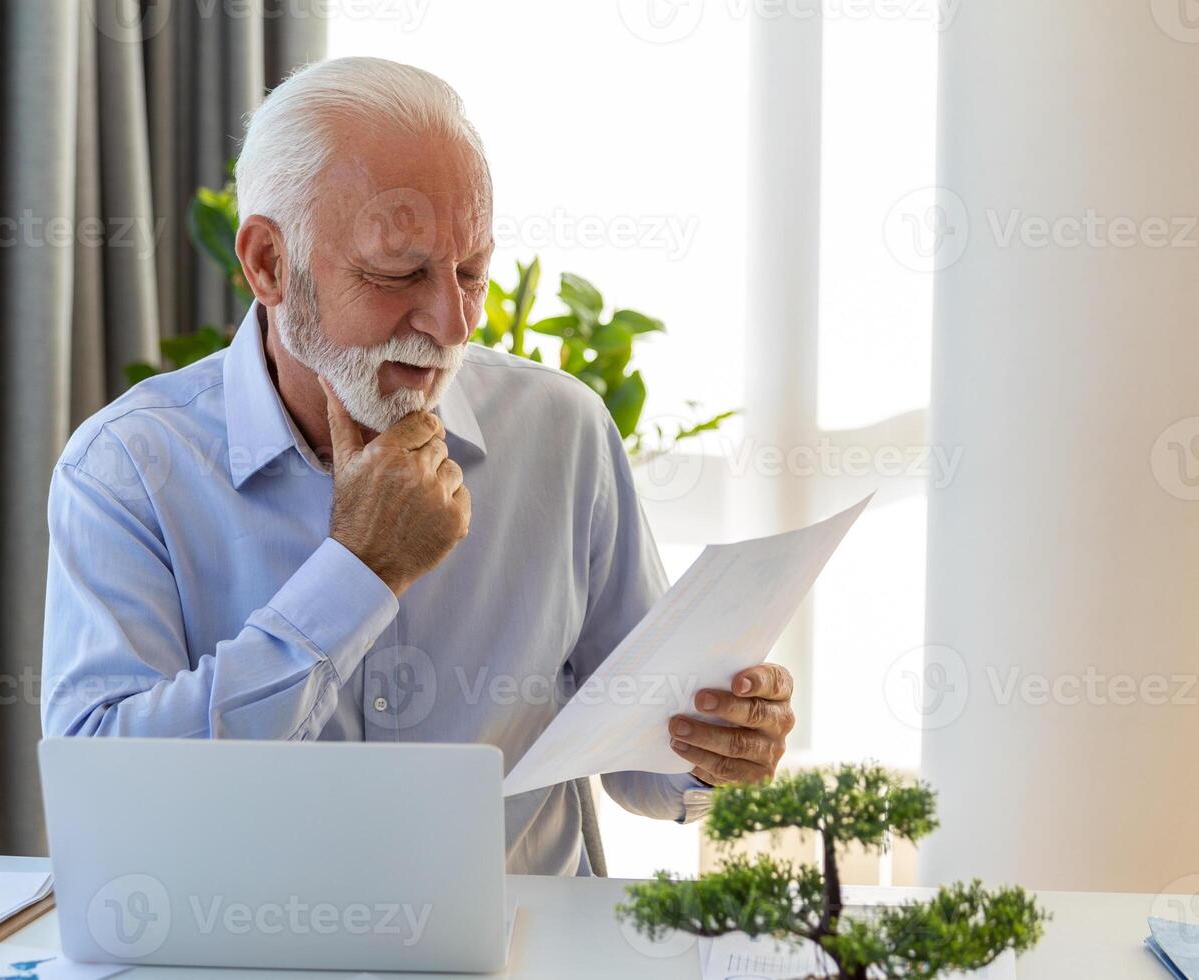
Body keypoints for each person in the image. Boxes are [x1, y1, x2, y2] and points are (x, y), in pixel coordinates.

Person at [40, 56, 795, 876]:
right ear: (266, 263)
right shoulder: (128, 468)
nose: (450, 323)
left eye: (471, 271)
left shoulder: (561, 429)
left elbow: (642, 763)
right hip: (254, 955)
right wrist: (358, 573)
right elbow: (106, 792)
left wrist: (713, 748)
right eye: (397, 274)